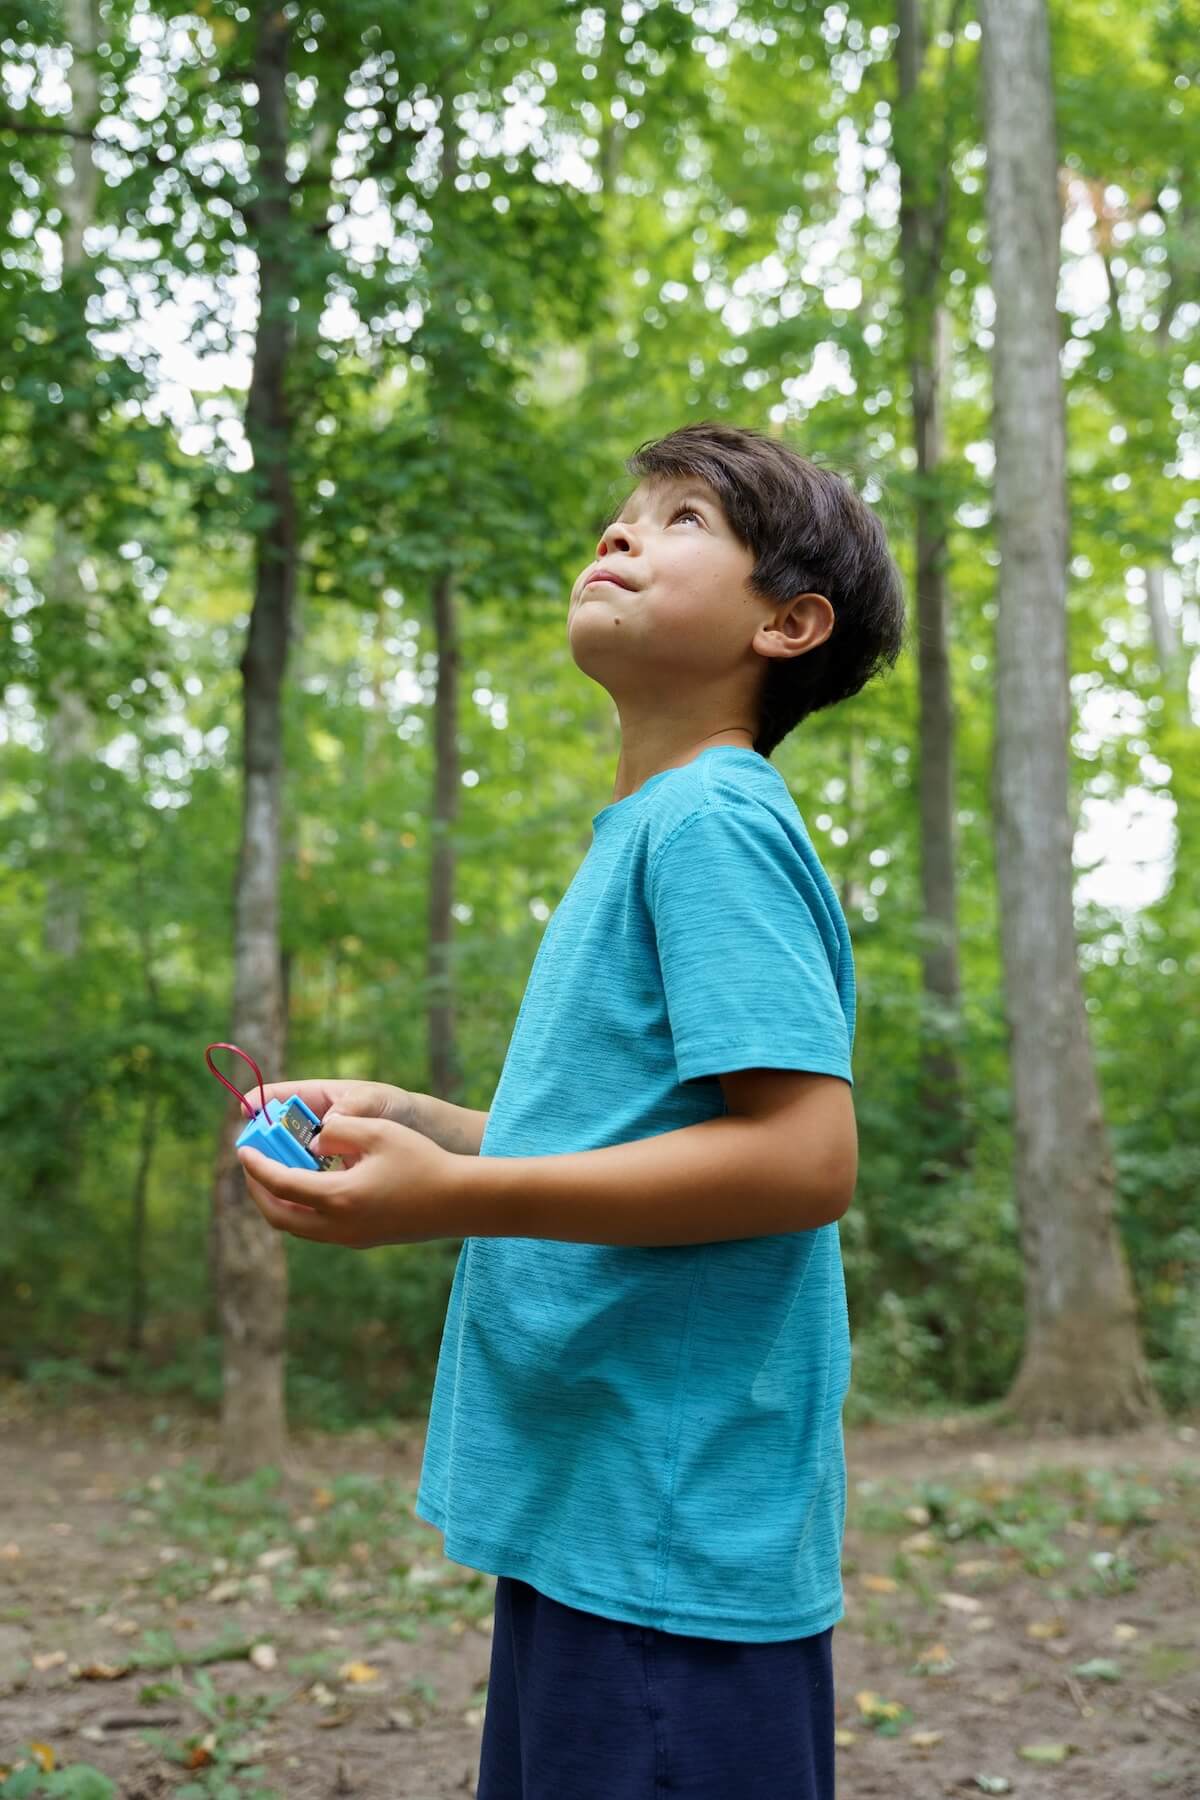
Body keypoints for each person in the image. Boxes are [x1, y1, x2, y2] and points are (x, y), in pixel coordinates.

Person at [238, 420, 906, 1799]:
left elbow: (801, 1158)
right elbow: (632, 1142)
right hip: (591, 1510)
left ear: (787, 623)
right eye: (625, 511)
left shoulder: (713, 817)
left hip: (669, 1541)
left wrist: (455, 1200)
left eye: (679, 522)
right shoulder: (651, 830)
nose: (620, 533)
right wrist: (420, 1121)